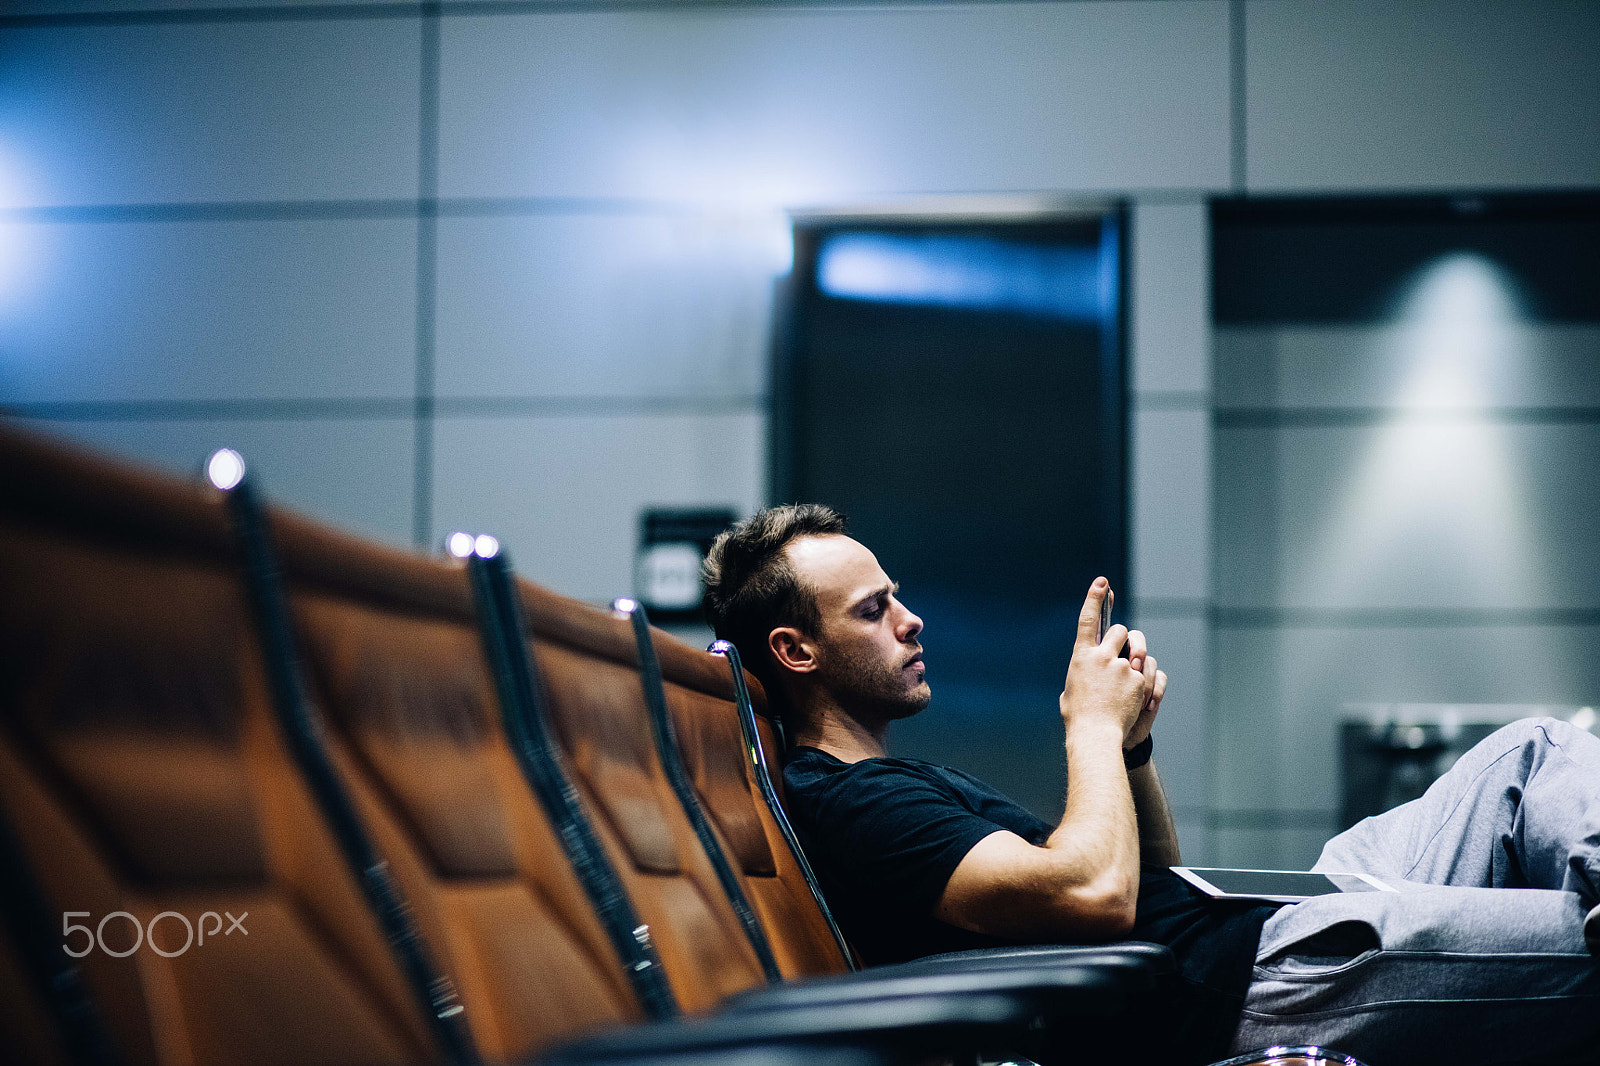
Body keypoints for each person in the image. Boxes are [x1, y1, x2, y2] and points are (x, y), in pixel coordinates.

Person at [701, 504, 1600, 1066]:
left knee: (1531, 753)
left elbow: (1148, 875)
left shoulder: (898, 778)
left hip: (1243, 923)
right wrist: (1086, 721)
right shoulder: (853, 804)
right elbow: (1093, 897)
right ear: (796, 652)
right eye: (874, 610)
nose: (910, 618)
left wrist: (1129, 750)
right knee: (1580, 949)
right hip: (1253, 981)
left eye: (896, 595)